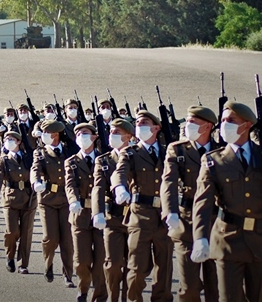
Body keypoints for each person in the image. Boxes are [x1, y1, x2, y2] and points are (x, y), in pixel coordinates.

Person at [191, 101, 262, 302]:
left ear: (246, 124)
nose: (224, 125)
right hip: (228, 241)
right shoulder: (214, 160)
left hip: (261, 241)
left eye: (231, 120)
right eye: (223, 120)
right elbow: (202, 202)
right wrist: (200, 237)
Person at [111, 110, 174, 302]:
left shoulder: (169, 152)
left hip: (164, 216)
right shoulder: (130, 153)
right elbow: (119, 172)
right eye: (137, 123)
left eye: (144, 122)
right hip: (140, 216)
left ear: (156, 127)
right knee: (137, 269)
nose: (139, 125)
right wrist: (119, 187)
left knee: (164, 269)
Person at [161, 106, 219, 302]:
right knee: (189, 287)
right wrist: (171, 211)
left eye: (193, 122)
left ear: (208, 127)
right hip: (187, 221)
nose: (187, 126)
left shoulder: (222, 150)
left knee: (217, 285)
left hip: (216, 222)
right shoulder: (177, 149)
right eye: (187, 121)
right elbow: (168, 181)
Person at [91, 118, 133, 302]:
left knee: (134, 267)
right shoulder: (104, 160)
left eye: (117, 133)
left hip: (135, 219)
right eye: (111, 132)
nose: (112, 135)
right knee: (113, 264)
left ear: (129, 137)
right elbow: (98, 188)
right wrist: (97, 212)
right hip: (113, 218)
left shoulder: (137, 156)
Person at [31, 120, 76, 287]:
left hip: (66, 200)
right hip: (48, 199)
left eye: (47, 133)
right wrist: (36, 181)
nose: (43, 136)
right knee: (50, 238)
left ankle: (68, 275)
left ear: (56, 134)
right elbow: (35, 169)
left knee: (67, 240)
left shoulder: (69, 152)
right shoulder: (40, 153)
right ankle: (48, 264)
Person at [65, 123, 107, 302]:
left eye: (86, 133)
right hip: (80, 215)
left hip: (102, 215)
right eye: (79, 134)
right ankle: (83, 288)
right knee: (81, 260)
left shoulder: (105, 160)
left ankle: (99, 296)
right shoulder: (72, 162)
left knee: (101, 261)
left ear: (94, 137)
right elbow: (70, 184)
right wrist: (73, 200)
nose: (82, 136)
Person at [0, 131, 37, 275]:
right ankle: (10, 255)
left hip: (28, 198)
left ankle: (23, 263)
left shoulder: (29, 157)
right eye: (6, 139)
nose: (8, 141)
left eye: (11, 139)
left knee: (26, 232)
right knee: (12, 231)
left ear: (18, 142)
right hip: (10, 197)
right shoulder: (3, 160)